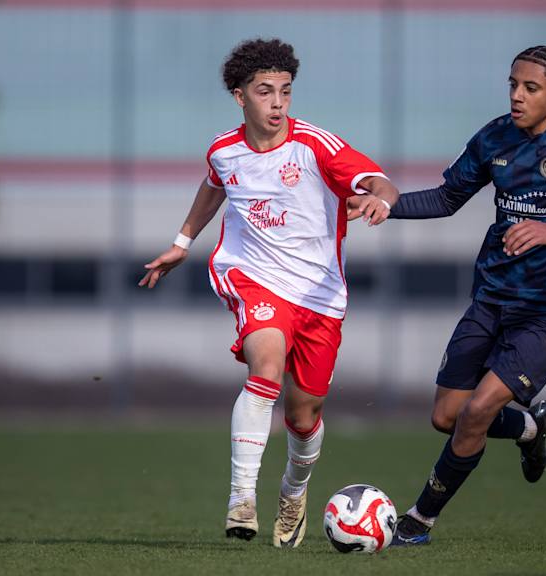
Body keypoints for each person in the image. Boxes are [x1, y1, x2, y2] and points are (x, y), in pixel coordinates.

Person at [365, 45, 546, 545]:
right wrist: (387, 205)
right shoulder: (495, 137)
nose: (517, 95)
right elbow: (447, 198)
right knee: (445, 417)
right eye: (513, 84)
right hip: (492, 298)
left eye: (531, 88)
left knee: (476, 412)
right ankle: (531, 430)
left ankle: (418, 521)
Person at [139, 38, 398, 549]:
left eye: (285, 91)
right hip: (253, 276)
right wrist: (181, 242)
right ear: (241, 97)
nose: (277, 103)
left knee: (305, 416)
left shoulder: (315, 144)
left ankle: (294, 491)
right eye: (265, 92)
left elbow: (376, 179)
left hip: (320, 295)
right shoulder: (223, 150)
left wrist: (381, 201)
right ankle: (241, 498)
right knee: (267, 366)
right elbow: (215, 183)